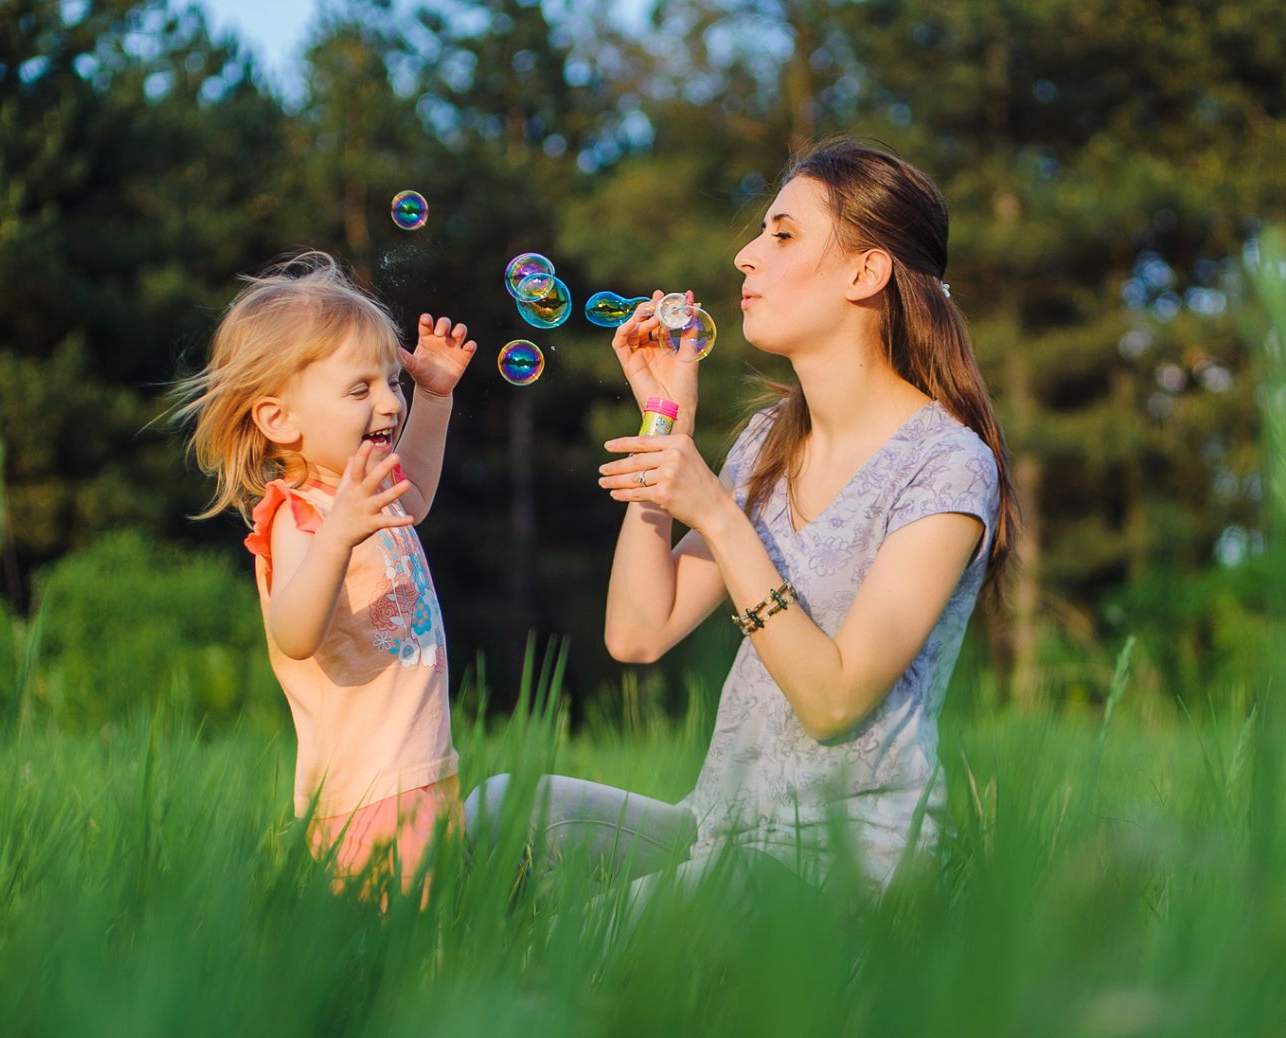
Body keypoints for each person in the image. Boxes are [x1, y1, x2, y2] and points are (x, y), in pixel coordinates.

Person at [465, 138, 1019, 897]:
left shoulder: (947, 463)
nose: (744, 257)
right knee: (501, 811)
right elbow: (636, 632)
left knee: (582, 946)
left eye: (782, 234)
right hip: (720, 829)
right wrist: (667, 420)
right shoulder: (768, 442)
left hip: (842, 865)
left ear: (867, 271)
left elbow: (835, 702)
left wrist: (720, 517)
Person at [176, 252, 477, 902]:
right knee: (411, 955)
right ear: (280, 419)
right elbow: (293, 632)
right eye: (359, 389)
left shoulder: (364, 489)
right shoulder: (302, 514)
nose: (387, 402)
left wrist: (435, 397)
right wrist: (337, 536)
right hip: (367, 791)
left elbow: (417, 493)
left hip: (420, 770)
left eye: (392, 382)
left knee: (433, 946)